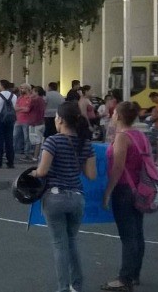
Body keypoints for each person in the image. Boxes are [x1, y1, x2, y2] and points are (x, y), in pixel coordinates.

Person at [31, 101, 97, 292]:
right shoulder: (85, 143)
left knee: (60, 245)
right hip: (77, 197)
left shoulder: (52, 141)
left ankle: (63, 288)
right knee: (72, 241)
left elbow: (42, 171)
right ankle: (77, 285)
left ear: (59, 119)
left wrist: (31, 174)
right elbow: (91, 175)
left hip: (55, 198)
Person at [101, 102, 153, 292]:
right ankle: (134, 273)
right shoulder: (140, 135)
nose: (112, 116)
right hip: (139, 188)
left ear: (119, 117)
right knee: (137, 233)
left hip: (123, 189)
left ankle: (125, 278)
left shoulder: (122, 137)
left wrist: (108, 191)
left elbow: (117, 167)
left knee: (128, 235)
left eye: (114, 113)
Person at [0, 79, 17, 169]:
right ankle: (10, 162)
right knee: (9, 140)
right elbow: (15, 107)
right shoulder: (14, 96)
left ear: (2, 86)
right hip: (10, 120)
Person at [26, 86, 46, 162]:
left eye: (33, 91)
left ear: (37, 92)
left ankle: (35, 156)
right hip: (41, 121)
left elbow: (28, 109)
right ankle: (39, 155)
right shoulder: (42, 100)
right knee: (40, 140)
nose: (32, 93)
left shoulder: (34, 100)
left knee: (36, 140)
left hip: (34, 122)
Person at [13, 83, 32, 156]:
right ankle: (12, 151)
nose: (21, 90)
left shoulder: (30, 98)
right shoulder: (20, 98)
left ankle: (26, 153)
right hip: (18, 120)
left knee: (26, 138)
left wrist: (19, 108)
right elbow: (15, 108)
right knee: (14, 136)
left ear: (27, 89)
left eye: (23, 88)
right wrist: (22, 108)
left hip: (26, 120)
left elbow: (28, 109)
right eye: (21, 88)